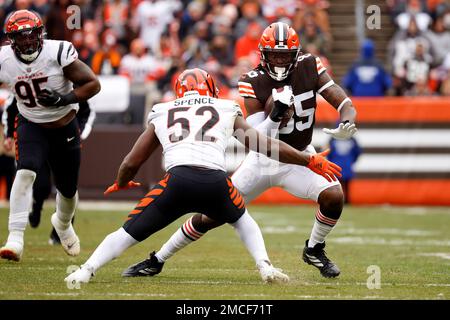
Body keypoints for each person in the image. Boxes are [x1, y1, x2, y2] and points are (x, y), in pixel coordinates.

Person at [64, 68, 342, 285]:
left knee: (127, 233)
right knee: (243, 220)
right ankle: (265, 266)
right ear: (210, 88)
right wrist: (309, 159)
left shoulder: (163, 110)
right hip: (215, 182)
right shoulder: (225, 107)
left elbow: (131, 161)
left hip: (176, 182)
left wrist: (122, 181)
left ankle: (86, 270)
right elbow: (262, 145)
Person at [124, 22, 357, 279]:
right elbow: (259, 139)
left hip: (299, 156)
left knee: (334, 196)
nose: (279, 61)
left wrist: (347, 118)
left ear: (296, 55)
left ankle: (314, 248)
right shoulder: (251, 80)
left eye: (285, 55)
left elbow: (341, 99)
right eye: (274, 55)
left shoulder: (309, 64)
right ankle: (157, 259)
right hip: (261, 161)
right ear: (263, 54)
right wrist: (276, 114)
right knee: (210, 217)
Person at [0, 10, 101, 261]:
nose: (26, 42)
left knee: (67, 190)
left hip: (64, 126)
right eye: (19, 37)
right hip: (30, 124)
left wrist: (63, 98)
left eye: (30, 35)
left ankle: (63, 225)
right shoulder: (3, 59)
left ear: (40, 33)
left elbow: (92, 84)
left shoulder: (58, 51)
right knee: (25, 171)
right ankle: (15, 238)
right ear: (11, 40)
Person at [3, 96, 96, 244]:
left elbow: (87, 104)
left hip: (65, 135)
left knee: (67, 188)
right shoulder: (24, 77)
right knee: (39, 183)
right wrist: (8, 134)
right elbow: (12, 105)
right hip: (36, 135)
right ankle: (24, 223)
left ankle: (61, 230)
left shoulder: (70, 76)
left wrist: (79, 131)